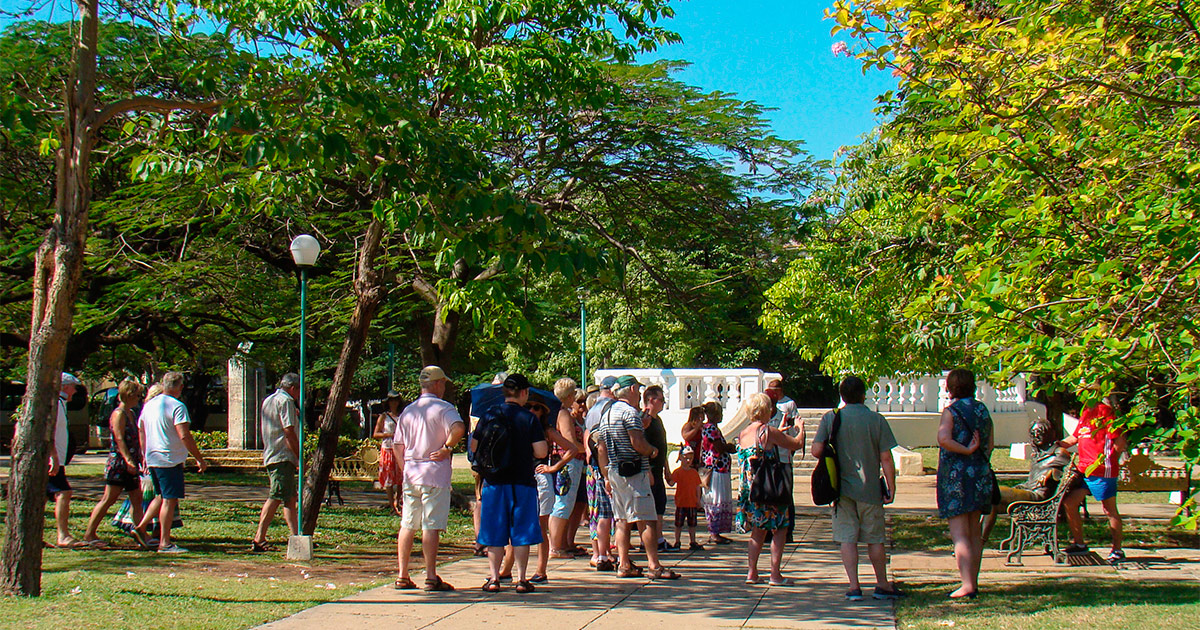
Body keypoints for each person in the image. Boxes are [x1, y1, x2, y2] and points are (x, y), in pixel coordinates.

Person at [813, 375, 903, 601]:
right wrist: (891, 486)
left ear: (842, 396)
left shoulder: (832, 419)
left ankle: (854, 586)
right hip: (870, 489)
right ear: (864, 395)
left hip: (840, 490)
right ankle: (882, 584)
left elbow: (816, 450)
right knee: (875, 538)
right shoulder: (876, 420)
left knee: (847, 538)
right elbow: (886, 457)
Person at [595, 375, 680, 580]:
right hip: (634, 472)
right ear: (632, 389)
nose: (640, 394)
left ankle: (624, 564)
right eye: (638, 390)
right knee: (647, 519)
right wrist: (652, 452)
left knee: (622, 520)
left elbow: (601, 447)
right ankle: (654, 565)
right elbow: (637, 443)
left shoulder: (606, 414)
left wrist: (606, 473)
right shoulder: (630, 413)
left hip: (615, 471)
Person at [472, 374, 547, 594]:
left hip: (494, 482)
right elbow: (541, 451)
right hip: (522, 481)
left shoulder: (489, 414)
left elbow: (475, 446)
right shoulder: (529, 418)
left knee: (495, 532)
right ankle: (522, 579)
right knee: (521, 533)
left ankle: (494, 578)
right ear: (524, 393)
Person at [393, 366, 465, 591]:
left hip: (412, 473)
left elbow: (397, 445)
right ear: (437, 384)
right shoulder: (444, 408)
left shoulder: (409, 411)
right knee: (430, 525)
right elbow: (459, 427)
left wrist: (406, 467)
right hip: (434, 473)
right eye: (443, 383)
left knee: (408, 524)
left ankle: (402, 574)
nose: (444, 387)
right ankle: (431, 575)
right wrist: (447, 447)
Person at [132, 371, 208, 553]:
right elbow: (184, 434)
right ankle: (164, 542)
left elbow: (141, 430)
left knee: (160, 496)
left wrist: (144, 454)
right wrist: (199, 458)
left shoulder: (149, 405)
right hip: (169, 459)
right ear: (180, 387)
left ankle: (141, 528)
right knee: (169, 499)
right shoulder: (177, 406)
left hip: (153, 457)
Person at [935, 368, 993, 599]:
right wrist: (978, 458)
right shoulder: (982, 410)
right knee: (974, 532)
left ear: (950, 387)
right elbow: (989, 443)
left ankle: (966, 584)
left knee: (959, 534)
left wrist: (966, 450)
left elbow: (943, 439)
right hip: (979, 475)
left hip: (956, 477)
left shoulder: (951, 412)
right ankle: (974, 581)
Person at [736, 393, 804, 585]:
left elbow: (761, 443)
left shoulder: (743, 434)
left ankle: (752, 572)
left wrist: (778, 430)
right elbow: (796, 444)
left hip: (751, 491)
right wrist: (800, 429)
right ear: (766, 410)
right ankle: (775, 573)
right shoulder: (769, 432)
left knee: (758, 531)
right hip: (769, 489)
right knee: (780, 528)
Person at [1059, 395, 1127, 563]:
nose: (1080, 395)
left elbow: (1119, 442)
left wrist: (1110, 460)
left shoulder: (1106, 413)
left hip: (1102, 470)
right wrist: (1055, 444)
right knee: (1070, 503)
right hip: (1084, 469)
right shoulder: (1086, 414)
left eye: (1084, 391)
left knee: (1109, 510)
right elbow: (1075, 437)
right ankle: (1079, 544)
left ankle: (1117, 550)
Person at [981, 418, 1071, 541]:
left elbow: (1069, 467)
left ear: (1048, 432)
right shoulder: (1038, 454)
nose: (1036, 435)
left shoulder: (1058, 453)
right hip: (1028, 490)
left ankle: (978, 541)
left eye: (1040, 431)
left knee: (993, 492)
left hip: (1037, 497)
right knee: (991, 503)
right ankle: (978, 540)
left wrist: (1052, 472)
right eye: (1033, 433)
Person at [83, 379, 145, 547]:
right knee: (109, 498)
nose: (139, 399)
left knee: (137, 497)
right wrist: (128, 460)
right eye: (138, 395)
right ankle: (89, 534)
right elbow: (119, 438)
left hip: (132, 462)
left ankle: (140, 532)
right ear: (129, 395)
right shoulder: (118, 414)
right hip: (119, 463)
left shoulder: (131, 413)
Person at [529, 393, 577, 583]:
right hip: (522, 478)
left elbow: (572, 449)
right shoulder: (519, 426)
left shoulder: (547, 430)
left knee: (541, 527)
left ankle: (541, 570)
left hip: (540, 478)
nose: (532, 411)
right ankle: (508, 569)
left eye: (537, 407)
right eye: (529, 407)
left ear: (544, 411)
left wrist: (554, 467)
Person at [251, 373, 301, 552]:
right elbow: (289, 431)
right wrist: (299, 455)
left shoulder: (268, 400)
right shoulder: (286, 402)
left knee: (289, 498)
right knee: (276, 495)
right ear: (293, 388)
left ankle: (296, 538)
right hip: (282, 455)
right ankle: (259, 537)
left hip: (272, 453)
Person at [548, 378, 586, 558]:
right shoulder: (562, 413)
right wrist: (588, 448)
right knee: (563, 504)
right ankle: (555, 547)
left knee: (565, 503)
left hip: (564, 462)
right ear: (569, 395)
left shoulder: (555, 410)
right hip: (567, 463)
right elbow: (570, 441)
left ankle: (561, 544)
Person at [46, 373, 84, 548]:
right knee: (64, 493)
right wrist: (53, 455)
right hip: (51, 460)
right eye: (73, 387)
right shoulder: (55, 404)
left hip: (57, 459)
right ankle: (63, 535)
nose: (75, 391)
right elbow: (48, 431)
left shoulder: (60, 405)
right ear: (65, 387)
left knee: (45, 496)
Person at [584, 378, 618, 571]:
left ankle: (602, 553)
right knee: (608, 513)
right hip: (606, 467)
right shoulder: (612, 409)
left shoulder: (593, 410)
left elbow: (589, 439)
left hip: (595, 466)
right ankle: (602, 553)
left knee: (599, 512)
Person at [764, 379, 802, 543]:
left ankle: (787, 530)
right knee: (767, 497)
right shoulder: (762, 420)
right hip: (767, 463)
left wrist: (791, 449)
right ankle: (767, 530)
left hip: (783, 459)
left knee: (786, 496)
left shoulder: (785, 413)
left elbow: (793, 434)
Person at [641, 385, 673, 551]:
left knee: (660, 504)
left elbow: (662, 446)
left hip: (658, 470)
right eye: (661, 400)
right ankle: (653, 540)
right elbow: (642, 448)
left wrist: (667, 469)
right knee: (652, 507)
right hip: (649, 471)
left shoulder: (657, 420)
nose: (663, 403)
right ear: (651, 400)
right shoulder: (645, 420)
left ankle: (658, 538)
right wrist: (647, 471)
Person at [699, 401, 736, 545]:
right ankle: (714, 532)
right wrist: (729, 447)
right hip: (716, 469)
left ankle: (717, 531)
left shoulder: (712, 428)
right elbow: (718, 448)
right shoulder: (710, 429)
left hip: (721, 469)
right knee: (716, 499)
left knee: (718, 499)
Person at [375, 391, 405, 515]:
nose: (394, 403)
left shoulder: (403, 415)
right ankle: (391, 503)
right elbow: (376, 434)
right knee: (388, 478)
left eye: (396, 400)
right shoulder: (384, 416)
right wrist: (389, 435)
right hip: (387, 448)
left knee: (400, 477)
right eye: (391, 400)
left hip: (400, 449)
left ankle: (397, 502)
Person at [670, 446, 703, 550]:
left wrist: (698, 499)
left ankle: (693, 541)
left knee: (692, 524)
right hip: (681, 502)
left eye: (690, 458)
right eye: (685, 458)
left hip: (692, 503)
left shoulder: (694, 473)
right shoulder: (677, 472)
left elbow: (698, 487)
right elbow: (671, 483)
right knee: (678, 524)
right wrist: (666, 474)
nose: (688, 460)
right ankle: (677, 541)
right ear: (680, 458)